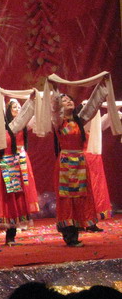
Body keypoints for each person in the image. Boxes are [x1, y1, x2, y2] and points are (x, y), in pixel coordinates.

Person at [52, 82, 108, 247]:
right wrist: (54, 89)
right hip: (65, 164)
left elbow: (92, 106)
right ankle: (69, 234)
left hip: (80, 163)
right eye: (64, 100)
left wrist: (103, 85)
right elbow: (54, 108)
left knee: (81, 197)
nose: (68, 101)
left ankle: (77, 230)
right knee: (67, 198)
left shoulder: (79, 120)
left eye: (70, 99)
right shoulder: (58, 122)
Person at [0, 97, 37, 246]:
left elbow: (25, 116)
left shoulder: (14, 127)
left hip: (12, 165)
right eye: (14, 108)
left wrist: (32, 100)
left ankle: (11, 236)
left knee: (13, 199)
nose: (17, 110)